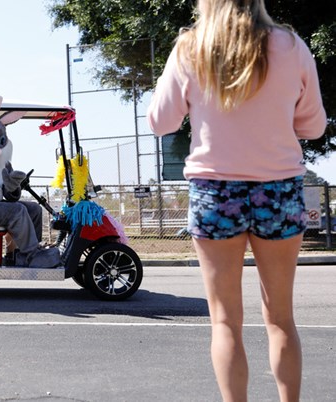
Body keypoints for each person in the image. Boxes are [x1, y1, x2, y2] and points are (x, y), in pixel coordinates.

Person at [147, 1, 327, 400]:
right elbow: (313, 126)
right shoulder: (291, 45)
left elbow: (161, 121)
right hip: (277, 189)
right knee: (281, 318)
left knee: (225, 321)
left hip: (215, 192)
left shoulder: (190, 48)